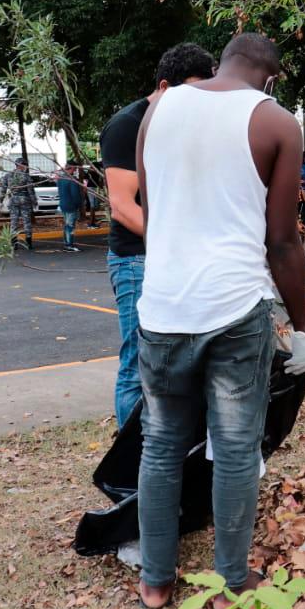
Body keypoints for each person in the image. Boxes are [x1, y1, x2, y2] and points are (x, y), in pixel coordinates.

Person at [133, 32, 305, 609]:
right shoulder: (275, 123)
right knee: (236, 448)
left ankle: (156, 581)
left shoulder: (158, 109)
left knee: (161, 444)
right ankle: (231, 580)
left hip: (162, 306)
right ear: (269, 77)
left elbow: (151, 201)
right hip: (235, 308)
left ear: (221, 63)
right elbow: (283, 242)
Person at [100, 43, 216, 429]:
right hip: (138, 259)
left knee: (185, 362)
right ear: (164, 86)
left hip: (182, 258)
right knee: (139, 365)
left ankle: (168, 458)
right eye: (192, 93)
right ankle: (132, 471)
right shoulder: (127, 126)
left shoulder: (189, 127)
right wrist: (176, 245)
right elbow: (123, 206)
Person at [0, 158, 37, 250]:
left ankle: (14, 244)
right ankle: (29, 244)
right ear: (20, 165)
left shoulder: (8, 175)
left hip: (13, 200)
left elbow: (3, 189)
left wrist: (1, 200)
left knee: (14, 222)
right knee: (27, 222)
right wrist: (34, 201)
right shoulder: (25, 176)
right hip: (25, 200)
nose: (26, 166)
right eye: (25, 164)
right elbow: (30, 190)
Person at [57, 161, 85, 252]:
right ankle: (69, 245)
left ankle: (66, 243)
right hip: (71, 205)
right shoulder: (72, 180)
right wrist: (79, 204)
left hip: (63, 204)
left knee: (66, 225)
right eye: (75, 168)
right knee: (70, 225)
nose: (76, 170)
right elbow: (75, 195)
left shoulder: (60, 178)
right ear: (72, 168)